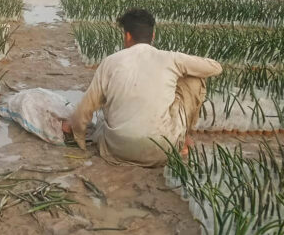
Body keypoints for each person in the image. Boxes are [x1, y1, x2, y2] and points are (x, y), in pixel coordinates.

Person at [64, 9, 222, 167]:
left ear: (127, 36)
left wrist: (75, 130)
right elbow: (216, 67)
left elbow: (86, 108)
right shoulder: (171, 58)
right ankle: (182, 138)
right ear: (152, 36)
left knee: (103, 119)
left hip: (117, 148)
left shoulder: (110, 62)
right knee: (194, 80)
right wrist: (181, 70)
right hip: (161, 148)